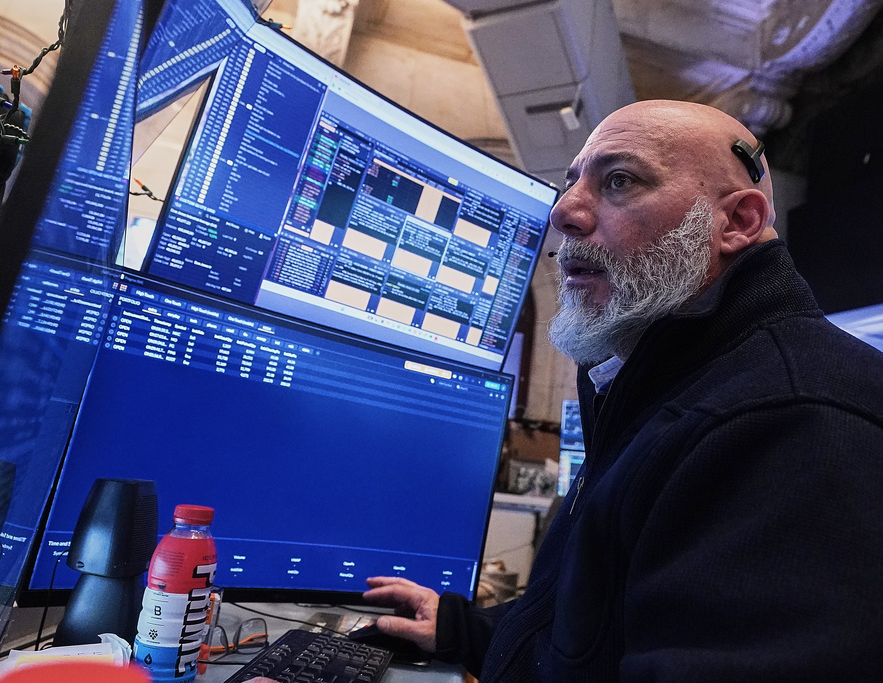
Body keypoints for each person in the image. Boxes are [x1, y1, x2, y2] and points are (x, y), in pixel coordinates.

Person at [357, 100, 883, 681]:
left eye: (620, 181)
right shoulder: (668, 381)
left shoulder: (792, 421)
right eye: (571, 182)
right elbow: (601, 633)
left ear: (735, 223)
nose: (565, 213)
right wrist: (464, 630)